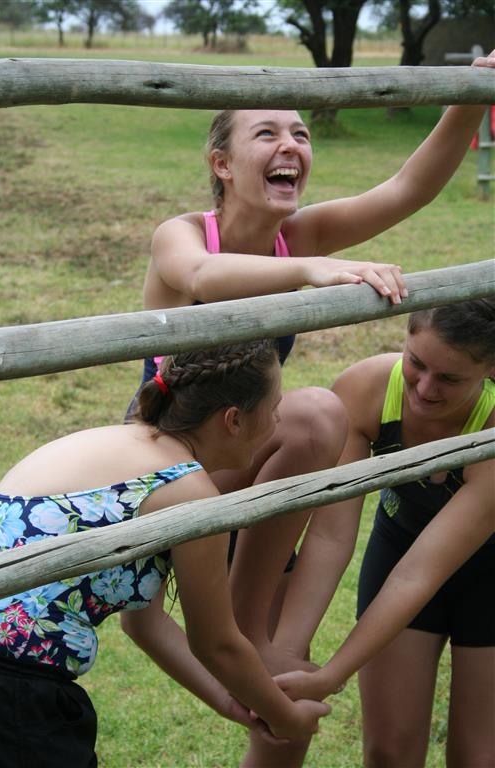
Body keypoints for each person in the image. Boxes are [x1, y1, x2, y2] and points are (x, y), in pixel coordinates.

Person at [127, 51, 494, 766]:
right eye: (266, 133)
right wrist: (314, 269)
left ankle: (267, 643)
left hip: (245, 466)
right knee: (317, 414)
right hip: (171, 470)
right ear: (221, 164)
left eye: (300, 132)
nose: (290, 144)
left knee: (283, 708)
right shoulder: (186, 233)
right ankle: (250, 640)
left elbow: (408, 188)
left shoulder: (296, 235)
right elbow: (200, 274)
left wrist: (469, 98)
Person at [0, 340, 331, 768]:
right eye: (274, 408)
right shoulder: (188, 491)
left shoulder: (116, 443)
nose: (278, 420)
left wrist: (231, 703)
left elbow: (145, 624)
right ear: (234, 420)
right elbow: (217, 643)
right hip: (10, 692)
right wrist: (287, 718)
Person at [273, 298, 495, 768]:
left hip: (488, 578)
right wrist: (289, 651)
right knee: (390, 753)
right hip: (400, 545)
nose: (426, 388)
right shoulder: (367, 388)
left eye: (450, 378)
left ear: (490, 369)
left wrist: (331, 675)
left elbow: (421, 573)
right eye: (417, 363)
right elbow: (330, 535)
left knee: (479, 758)